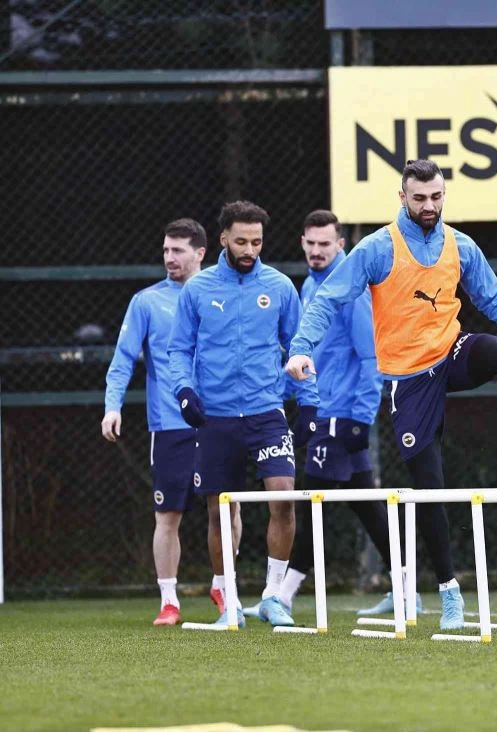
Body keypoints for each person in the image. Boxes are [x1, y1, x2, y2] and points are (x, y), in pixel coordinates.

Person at [285, 160, 497, 631]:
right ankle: (449, 592)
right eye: (419, 198)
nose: (429, 205)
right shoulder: (378, 248)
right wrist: (301, 347)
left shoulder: (461, 245)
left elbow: (491, 296)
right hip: (409, 377)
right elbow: (330, 299)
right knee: (430, 485)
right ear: (402, 197)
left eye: (436, 197)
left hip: (451, 352)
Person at [244, 209, 421, 618]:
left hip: (340, 416)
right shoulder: (310, 285)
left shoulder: (350, 290)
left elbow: (372, 357)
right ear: (302, 243)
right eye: (311, 243)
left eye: (325, 244)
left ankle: (282, 596)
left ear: (341, 244)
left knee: (313, 505)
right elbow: (308, 355)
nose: (317, 251)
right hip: (324, 410)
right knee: (363, 504)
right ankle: (406, 590)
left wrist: (361, 418)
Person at [168, 200, 319, 628]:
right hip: (215, 417)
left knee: (283, 496)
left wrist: (309, 401)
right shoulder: (197, 290)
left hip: (266, 411)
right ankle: (230, 601)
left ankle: (273, 597)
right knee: (220, 511)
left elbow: (299, 347)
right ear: (223, 239)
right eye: (241, 241)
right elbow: (179, 349)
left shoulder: (280, 287)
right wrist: (184, 391)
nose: (250, 249)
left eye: (256, 241)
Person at [102, 218, 243, 626]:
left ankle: (223, 586)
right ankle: (169, 601)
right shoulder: (146, 302)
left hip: (219, 420)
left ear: (201, 253)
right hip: (169, 424)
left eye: (178, 250)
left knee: (226, 509)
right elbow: (123, 359)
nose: (169, 257)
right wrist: (113, 406)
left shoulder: (223, 292)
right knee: (167, 515)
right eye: (166, 250)